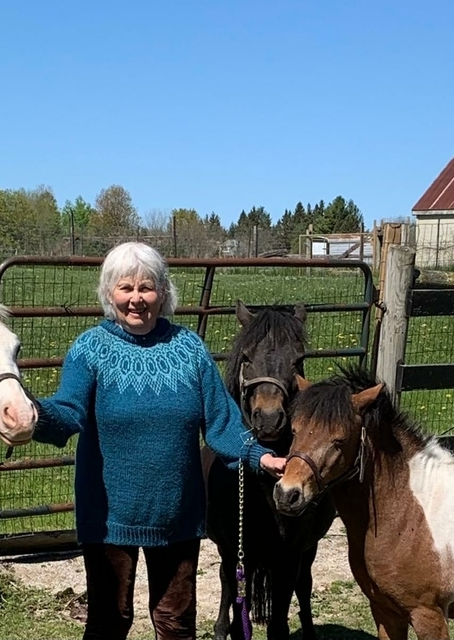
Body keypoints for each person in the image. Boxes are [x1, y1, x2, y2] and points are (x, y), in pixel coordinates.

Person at [32, 241, 286, 640]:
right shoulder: (90, 350)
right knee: (108, 621)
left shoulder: (189, 350)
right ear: (108, 293)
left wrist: (259, 456)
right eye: (125, 288)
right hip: (107, 517)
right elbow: (68, 412)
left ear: (164, 293)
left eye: (146, 287)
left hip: (176, 516)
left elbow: (221, 420)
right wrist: (33, 416)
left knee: (176, 622)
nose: (136, 299)